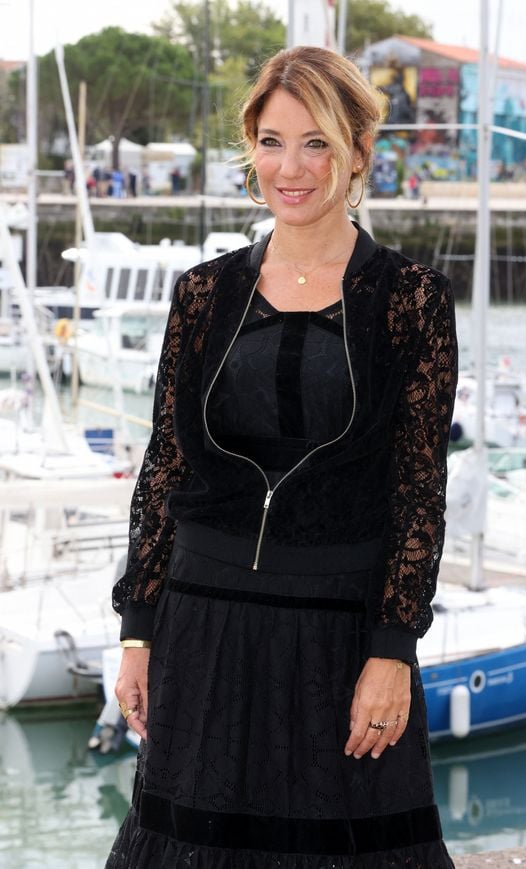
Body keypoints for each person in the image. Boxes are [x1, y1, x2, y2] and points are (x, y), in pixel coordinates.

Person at [106, 45, 458, 869]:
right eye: (271, 141)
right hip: (204, 624)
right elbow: (166, 468)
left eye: (316, 143)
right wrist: (137, 631)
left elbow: (417, 489)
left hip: (337, 636)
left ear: (359, 152)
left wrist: (392, 646)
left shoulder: (409, 299)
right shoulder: (204, 293)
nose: (289, 168)